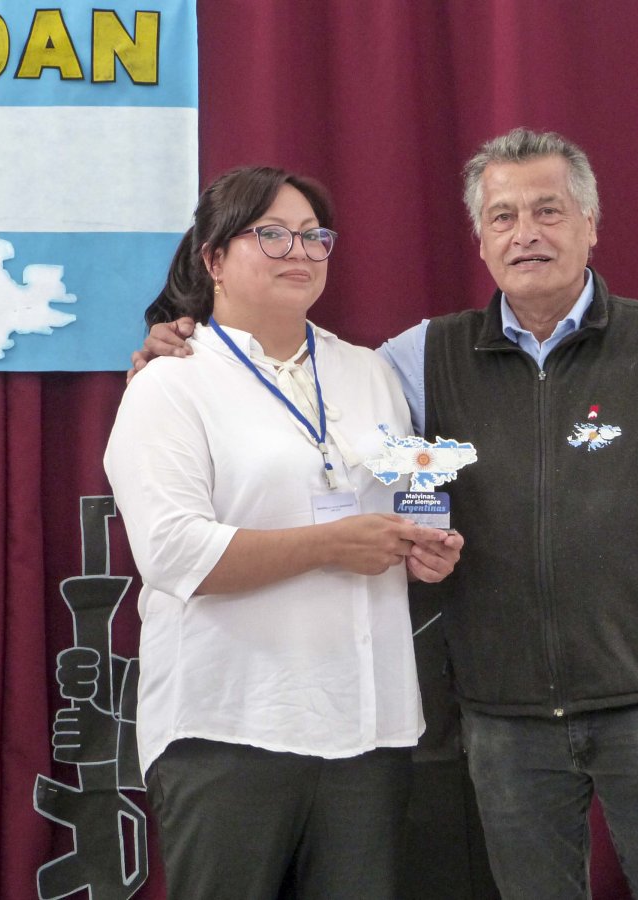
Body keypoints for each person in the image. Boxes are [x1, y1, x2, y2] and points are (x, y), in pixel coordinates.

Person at [130, 129, 638, 899]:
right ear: (480, 240)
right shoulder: (418, 359)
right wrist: (184, 347)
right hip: (505, 718)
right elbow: (302, 392)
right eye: (503, 216)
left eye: (548, 210)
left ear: (590, 224)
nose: (526, 233)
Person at [104, 165, 464, 900]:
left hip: (369, 725)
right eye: (271, 235)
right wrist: (331, 545)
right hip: (228, 723)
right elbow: (173, 552)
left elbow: (405, 500)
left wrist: (425, 549)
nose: (299, 251)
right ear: (213, 258)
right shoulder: (171, 383)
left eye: (313, 235)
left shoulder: (369, 373)